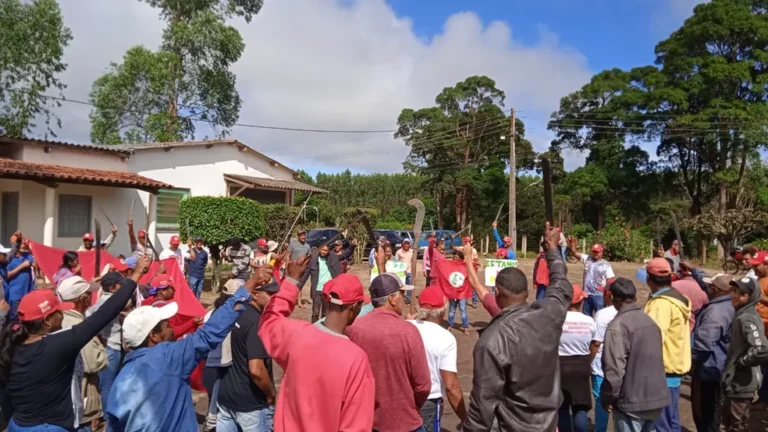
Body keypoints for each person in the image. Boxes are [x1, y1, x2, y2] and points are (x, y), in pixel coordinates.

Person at [0, 257, 147, 431]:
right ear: (47, 321)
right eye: (59, 312)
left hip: (17, 425)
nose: (63, 315)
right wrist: (136, 274)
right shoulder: (58, 345)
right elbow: (105, 313)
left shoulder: (10, 345)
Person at [105, 277, 254, 432]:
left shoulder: (120, 381)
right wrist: (248, 286)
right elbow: (209, 333)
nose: (171, 329)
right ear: (153, 336)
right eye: (167, 326)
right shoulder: (167, 357)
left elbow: (113, 426)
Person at [463, 223, 573, 431]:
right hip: (549, 423)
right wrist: (552, 249)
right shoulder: (550, 314)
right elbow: (560, 283)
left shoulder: (492, 341)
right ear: (526, 292)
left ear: (497, 294)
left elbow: (482, 405)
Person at [258, 259, 375, 432]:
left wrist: (291, 281)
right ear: (355, 307)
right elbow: (356, 426)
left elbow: (269, 320)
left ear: (326, 300)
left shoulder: (296, 335)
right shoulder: (356, 359)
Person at [346, 247, 430, 432]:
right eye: (401, 294)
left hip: (366, 420)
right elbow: (423, 385)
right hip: (403, 421)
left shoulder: (353, 328)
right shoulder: (408, 331)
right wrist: (410, 404)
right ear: (392, 298)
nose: (403, 298)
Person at [600, 277, 671, 432]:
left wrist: (607, 397)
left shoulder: (618, 326)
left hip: (631, 402)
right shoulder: (650, 321)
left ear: (611, 297)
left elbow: (614, 369)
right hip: (655, 398)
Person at [217, 278, 279, 431]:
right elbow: (256, 370)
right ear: (255, 294)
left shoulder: (234, 313)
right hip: (250, 405)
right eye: (271, 294)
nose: (275, 298)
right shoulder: (256, 322)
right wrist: (271, 394)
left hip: (226, 398)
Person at [407, 285, 467, 429]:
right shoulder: (445, 338)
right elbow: (451, 386)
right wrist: (465, 417)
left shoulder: (404, 327)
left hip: (402, 397)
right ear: (443, 310)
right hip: (429, 400)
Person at [643, 258, 691, 432]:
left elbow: (652, 340)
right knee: (671, 421)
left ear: (649, 278)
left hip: (663, 371)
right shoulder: (677, 298)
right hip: (673, 367)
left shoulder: (661, 304)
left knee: (661, 424)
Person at [58, 275, 107, 432]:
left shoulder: (60, 319)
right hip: (80, 400)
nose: (91, 297)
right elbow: (94, 363)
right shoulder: (78, 325)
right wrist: (101, 348)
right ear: (82, 298)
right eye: (88, 294)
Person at [722, 276, 768, 432]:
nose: (735, 295)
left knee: (737, 426)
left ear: (751, 297)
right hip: (737, 381)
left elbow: (762, 348)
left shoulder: (746, 318)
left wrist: (741, 362)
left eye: (742, 294)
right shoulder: (743, 314)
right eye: (734, 291)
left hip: (742, 383)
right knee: (731, 422)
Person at [690, 273, 734, 432]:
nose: (706, 287)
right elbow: (704, 281)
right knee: (713, 409)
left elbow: (704, 344)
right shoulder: (730, 303)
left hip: (709, 369)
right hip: (720, 366)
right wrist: (694, 270)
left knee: (705, 413)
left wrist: (691, 363)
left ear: (715, 289)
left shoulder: (716, 312)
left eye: (710, 286)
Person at [86, 271, 127, 429]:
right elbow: (92, 316)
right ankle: (109, 420)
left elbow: (89, 314)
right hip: (111, 346)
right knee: (108, 385)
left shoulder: (104, 299)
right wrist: (100, 333)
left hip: (107, 345)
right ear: (112, 287)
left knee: (105, 384)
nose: (122, 286)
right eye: (120, 283)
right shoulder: (110, 301)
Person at [202, 279, 239, 432]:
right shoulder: (236, 315)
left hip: (210, 363)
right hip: (226, 364)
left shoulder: (210, 314)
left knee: (213, 400)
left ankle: (210, 422)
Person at [558, 284, 596, 432]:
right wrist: (588, 360)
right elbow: (595, 344)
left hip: (560, 365)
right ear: (581, 301)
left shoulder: (557, 319)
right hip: (581, 365)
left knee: (562, 408)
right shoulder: (589, 321)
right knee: (580, 407)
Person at [590, 284, 618, 432]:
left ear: (609, 295)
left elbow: (596, 343)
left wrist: (587, 362)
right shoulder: (632, 312)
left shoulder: (602, 314)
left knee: (601, 401)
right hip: (621, 366)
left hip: (601, 366)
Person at [306, 241, 356, 323]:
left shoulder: (333, 258)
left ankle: (323, 331)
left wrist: (352, 246)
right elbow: (305, 275)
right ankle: (313, 329)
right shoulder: (314, 260)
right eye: (322, 250)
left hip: (327, 291)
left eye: (326, 250)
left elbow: (345, 254)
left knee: (325, 313)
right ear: (319, 249)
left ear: (328, 251)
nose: (324, 252)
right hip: (317, 291)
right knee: (315, 313)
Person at [567, 237, 615, 317]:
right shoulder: (587, 259)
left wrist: (606, 293)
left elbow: (611, 280)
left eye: (597, 252)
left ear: (601, 253)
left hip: (599, 295)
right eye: (594, 252)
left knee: (600, 316)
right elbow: (575, 253)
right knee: (586, 316)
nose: (595, 254)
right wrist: (572, 246)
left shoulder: (606, 265)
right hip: (586, 294)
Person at [5, 235, 35, 321]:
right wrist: (21, 266)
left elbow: (37, 265)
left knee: (27, 318)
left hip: (28, 293)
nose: (24, 244)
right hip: (15, 295)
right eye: (21, 242)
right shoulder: (8, 258)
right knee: (15, 319)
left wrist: (30, 249)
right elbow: (6, 276)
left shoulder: (27, 255)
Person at [673, 261, 709, 331]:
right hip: (697, 328)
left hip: (677, 330)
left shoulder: (672, 286)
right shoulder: (705, 290)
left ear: (680, 272)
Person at [752, 251, 768, 404]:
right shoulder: (760, 279)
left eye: (757, 265)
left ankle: (764, 399)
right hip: (759, 327)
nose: (755, 268)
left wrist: (757, 296)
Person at [395, 238, 414, 303]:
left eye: (407, 243)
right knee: (400, 286)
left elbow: (413, 261)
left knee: (409, 286)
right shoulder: (399, 252)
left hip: (409, 272)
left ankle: (408, 299)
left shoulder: (412, 251)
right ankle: (399, 298)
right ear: (403, 244)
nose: (406, 245)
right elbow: (395, 262)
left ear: (409, 244)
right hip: (401, 273)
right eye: (405, 243)